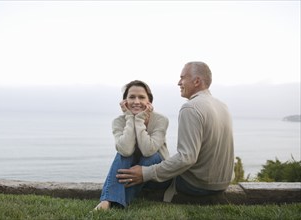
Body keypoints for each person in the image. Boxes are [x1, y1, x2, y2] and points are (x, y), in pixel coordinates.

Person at [116, 61, 234, 202]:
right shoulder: (222, 106)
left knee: (145, 161)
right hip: (222, 183)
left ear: (196, 81)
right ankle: (113, 199)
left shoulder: (190, 108)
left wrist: (145, 173)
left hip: (197, 185)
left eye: (183, 77)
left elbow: (186, 158)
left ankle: (116, 200)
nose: (179, 83)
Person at [94, 80, 170, 210]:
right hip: (131, 175)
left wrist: (139, 119)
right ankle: (108, 202)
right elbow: (126, 150)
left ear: (149, 102)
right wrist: (130, 118)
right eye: (132, 97)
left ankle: (112, 201)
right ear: (125, 102)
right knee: (123, 154)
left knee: (151, 157)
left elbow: (148, 151)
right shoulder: (118, 122)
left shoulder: (160, 120)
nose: (136, 101)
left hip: (155, 176)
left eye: (141, 97)